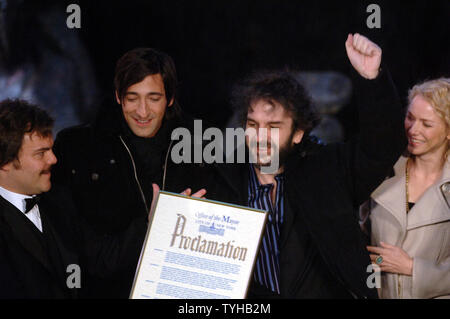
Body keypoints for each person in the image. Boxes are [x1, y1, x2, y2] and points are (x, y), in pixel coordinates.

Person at [207, 33, 406, 298]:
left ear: (298, 132)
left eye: (274, 127)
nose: (260, 136)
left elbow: (381, 147)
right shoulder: (221, 182)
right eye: (253, 125)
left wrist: (372, 79)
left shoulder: (327, 172)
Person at [52, 48, 209, 298]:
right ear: (118, 96)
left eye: (153, 98)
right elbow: (83, 252)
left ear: (169, 99)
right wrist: (151, 225)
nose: (142, 111)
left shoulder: (201, 144)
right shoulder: (78, 148)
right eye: (133, 98)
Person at [0, 99, 148, 298]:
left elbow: (103, 258)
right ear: (5, 163)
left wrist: (155, 219)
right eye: (41, 153)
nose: (53, 159)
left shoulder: (60, 201)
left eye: (51, 149)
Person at [362, 78, 450, 299]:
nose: (413, 129)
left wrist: (412, 267)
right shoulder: (381, 172)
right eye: (410, 118)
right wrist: (382, 263)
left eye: (427, 124)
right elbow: (360, 246)